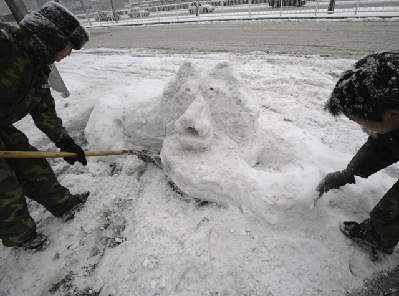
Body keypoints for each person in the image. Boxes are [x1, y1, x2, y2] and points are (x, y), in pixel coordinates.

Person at [0, 2, 90, 251]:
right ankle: (21, 235)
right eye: (69, 47)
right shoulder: (5, 45)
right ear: (51, 39)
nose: (69, 54)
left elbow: (43, 110)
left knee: (31, 163)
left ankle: (62, 203)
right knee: (4, 185)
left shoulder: (37, 67)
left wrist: (64, 142)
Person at [317, 51, 399, 255]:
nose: (360, 126)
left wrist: (383, 222)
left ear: (394, 114)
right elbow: (384, 145)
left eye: (357, 120)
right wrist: (350, 173)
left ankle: (380, 238)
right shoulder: (394, 111)